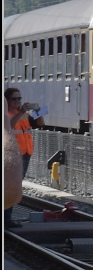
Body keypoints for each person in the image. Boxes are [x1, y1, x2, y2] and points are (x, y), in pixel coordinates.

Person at [5, 88, 44, 225]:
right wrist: (21, 112)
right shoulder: (7, 114)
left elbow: (41, 124)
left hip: (25, 153)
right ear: (7, 101)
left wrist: (38, 110)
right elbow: (8, 126)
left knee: (15, 186)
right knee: (11, 186)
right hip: (12, 155)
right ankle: (6, 219)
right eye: (14, 99)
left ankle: (7, 218)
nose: (17, 101)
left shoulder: (25, 114)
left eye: (19, 98)